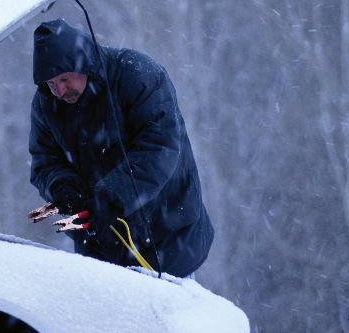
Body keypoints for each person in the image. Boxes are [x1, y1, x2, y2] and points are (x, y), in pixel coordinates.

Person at [28, 18, 213, 278]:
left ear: (82, 62)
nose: (58, 90)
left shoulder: (138, 75)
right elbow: (44, 162)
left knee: (173, 317)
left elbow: (159, 149)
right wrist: (62, 188)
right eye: (49, 83)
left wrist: (111, 197)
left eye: (64, 78)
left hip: (168, 241)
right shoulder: (46, 104)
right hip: (101, 253)